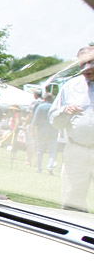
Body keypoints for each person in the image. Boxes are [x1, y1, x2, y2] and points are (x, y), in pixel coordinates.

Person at [49, 45, 94, 212]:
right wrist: (64, 112)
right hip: (76, 151)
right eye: (82, 64)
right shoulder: (70, 86)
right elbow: (55, 122)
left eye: (91, 62)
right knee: (72, 200)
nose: (86, 68)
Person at [32, 90, 57, 173]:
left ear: (44, 98)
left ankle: (38, 168)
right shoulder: (55, 107)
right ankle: (50, 167)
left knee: (39, 151)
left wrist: (33, 132)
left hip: (41, 131)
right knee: (52, 151)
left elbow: (35, 121)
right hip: (53, 131)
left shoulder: (40, 107)